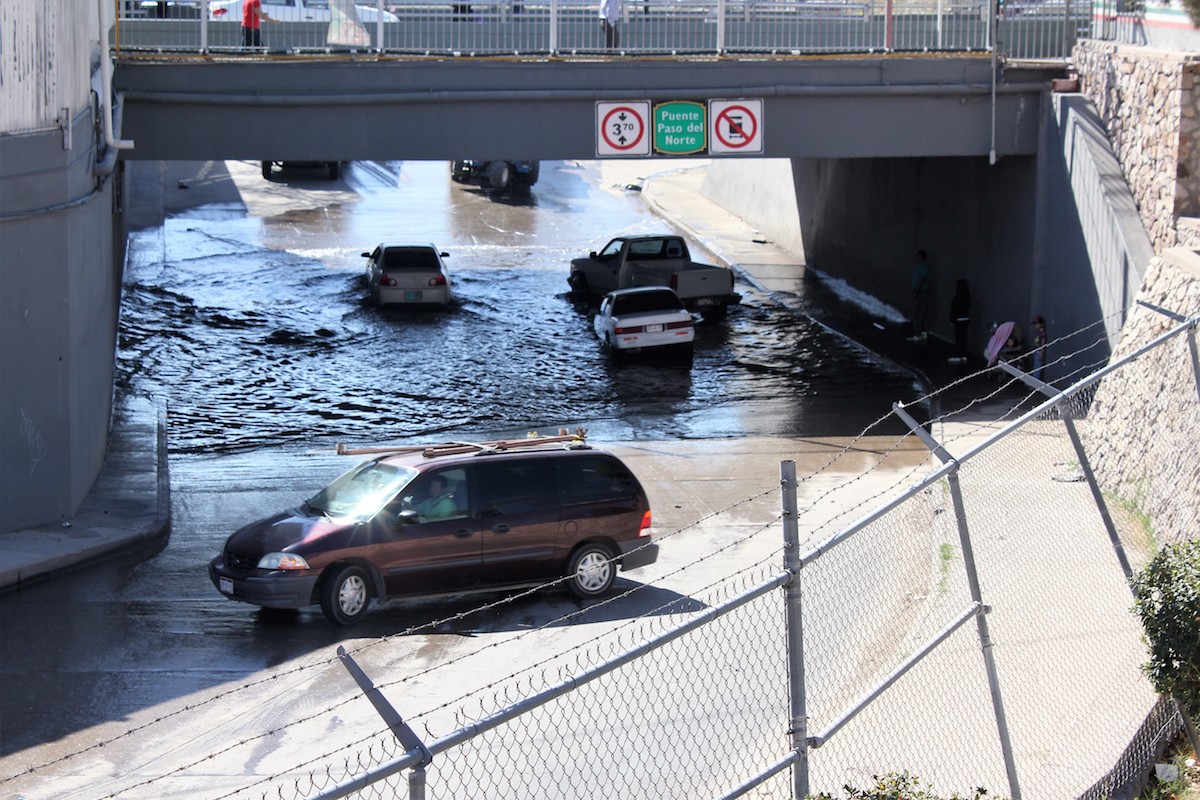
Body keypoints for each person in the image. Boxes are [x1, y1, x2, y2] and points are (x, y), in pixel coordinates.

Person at [907, 249, 932, 342]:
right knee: (922, 312)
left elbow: (922, 278)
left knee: (919, 312)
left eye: (917, 256)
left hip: (921, 292)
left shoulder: (922, 266)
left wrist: (916, 290)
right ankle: (922, 333)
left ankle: (917, 333)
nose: (916, 258)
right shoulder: (924, 266)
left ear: (921, 257)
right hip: (923, 291)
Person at [948, 278, 971, 363]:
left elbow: (954, 311)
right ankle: (964, 355)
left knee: (958, 338)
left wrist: (952, 320)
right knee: (963, 338)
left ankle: (959, 355)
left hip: (958, 320)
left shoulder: (956, 298)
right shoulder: (967, 297)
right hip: (966, 319)